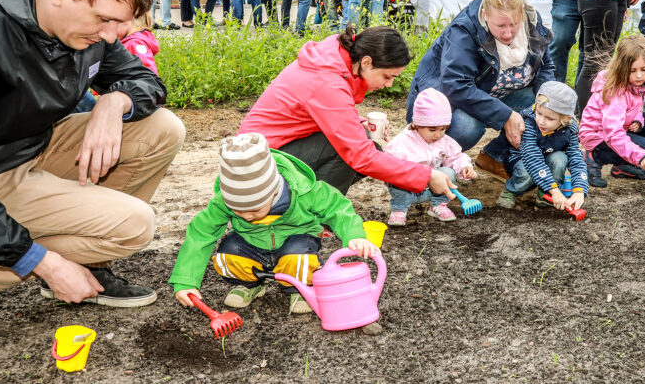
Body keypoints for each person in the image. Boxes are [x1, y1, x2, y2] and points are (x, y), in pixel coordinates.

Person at [0, 0, 186, 347]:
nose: (108, 36)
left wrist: (112, 102)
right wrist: (43, 261)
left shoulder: (88, 23)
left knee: (162, 128)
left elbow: (145, 82)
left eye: (117, 26)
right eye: (104, 20)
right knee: (135, 226)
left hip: (31, 148)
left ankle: (85, 262)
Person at [239, 25, 457, 198]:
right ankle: (308, 212)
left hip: (261, 152)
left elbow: (323, 110)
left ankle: (305, 200)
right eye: (387, 77)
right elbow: (361, 156)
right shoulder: (328, 81)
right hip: (253, 168)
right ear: (367, 62)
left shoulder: (336, 59)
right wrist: (426, 175)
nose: (389, 85)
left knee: (362, 143)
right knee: (352, 153)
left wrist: (357, 121)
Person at [169, 133, 377, 315]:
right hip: (252, 243)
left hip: (296, 240)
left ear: (274, 191)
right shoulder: (223, 202)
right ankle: (249, 285)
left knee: (298, 256)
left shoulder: (303, 191)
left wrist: (354, 235)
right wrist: (186, 281)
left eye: (255, 210)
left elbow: (337, 208)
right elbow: (200, 233)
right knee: (227, 252)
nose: (248, 217)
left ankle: (299, 289)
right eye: (238, 212)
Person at [407, 0, 555, 180]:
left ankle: (494, 156)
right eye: (500, 26)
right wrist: (506, 115)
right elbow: (455, 86)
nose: (508, 33)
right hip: (452, 103)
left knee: (540, 108)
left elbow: (546, 66)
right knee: (468, 128)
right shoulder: (465, 30)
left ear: (521, 12)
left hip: (496, 94)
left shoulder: (532, 22)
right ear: (485, 16)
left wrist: (550, 105)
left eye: (513, 24)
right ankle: (432, 167)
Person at [579, 35, 645, 187]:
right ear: (622, 68)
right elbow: (613, 134)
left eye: (643, 69)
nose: (639, 75)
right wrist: (640, 156)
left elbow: (632, 109)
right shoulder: (615, 92)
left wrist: (638, 119)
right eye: (632, 70)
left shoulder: (636, 84)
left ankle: (622, 166)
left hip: (619, 129)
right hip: (598, 136)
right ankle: (594, 157)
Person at [383, 88, 477, 226]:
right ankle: (399, 209)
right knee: (397, 182)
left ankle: (438, 205)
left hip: (434, 189)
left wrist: (464, 167)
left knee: (448, 173)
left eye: (443, 129)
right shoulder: (402, 143)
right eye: (432, 130)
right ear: (417, 124)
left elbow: (456, 156)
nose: (438, 135)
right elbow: (388, 166)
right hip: (409, 189)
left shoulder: (444, 141)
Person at [497, 81, 588, 212]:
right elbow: (532, 158)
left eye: (550, 119)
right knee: (526, 172)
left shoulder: (570, 129)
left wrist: (579, 190)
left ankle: (545, 194)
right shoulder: (528, 123)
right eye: (539, 113)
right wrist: (556, 191)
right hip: (522, 159)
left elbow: (576, 158)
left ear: (566, 120)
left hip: (546, 159)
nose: (540, 121)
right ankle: (510, 191)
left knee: (560, 158)